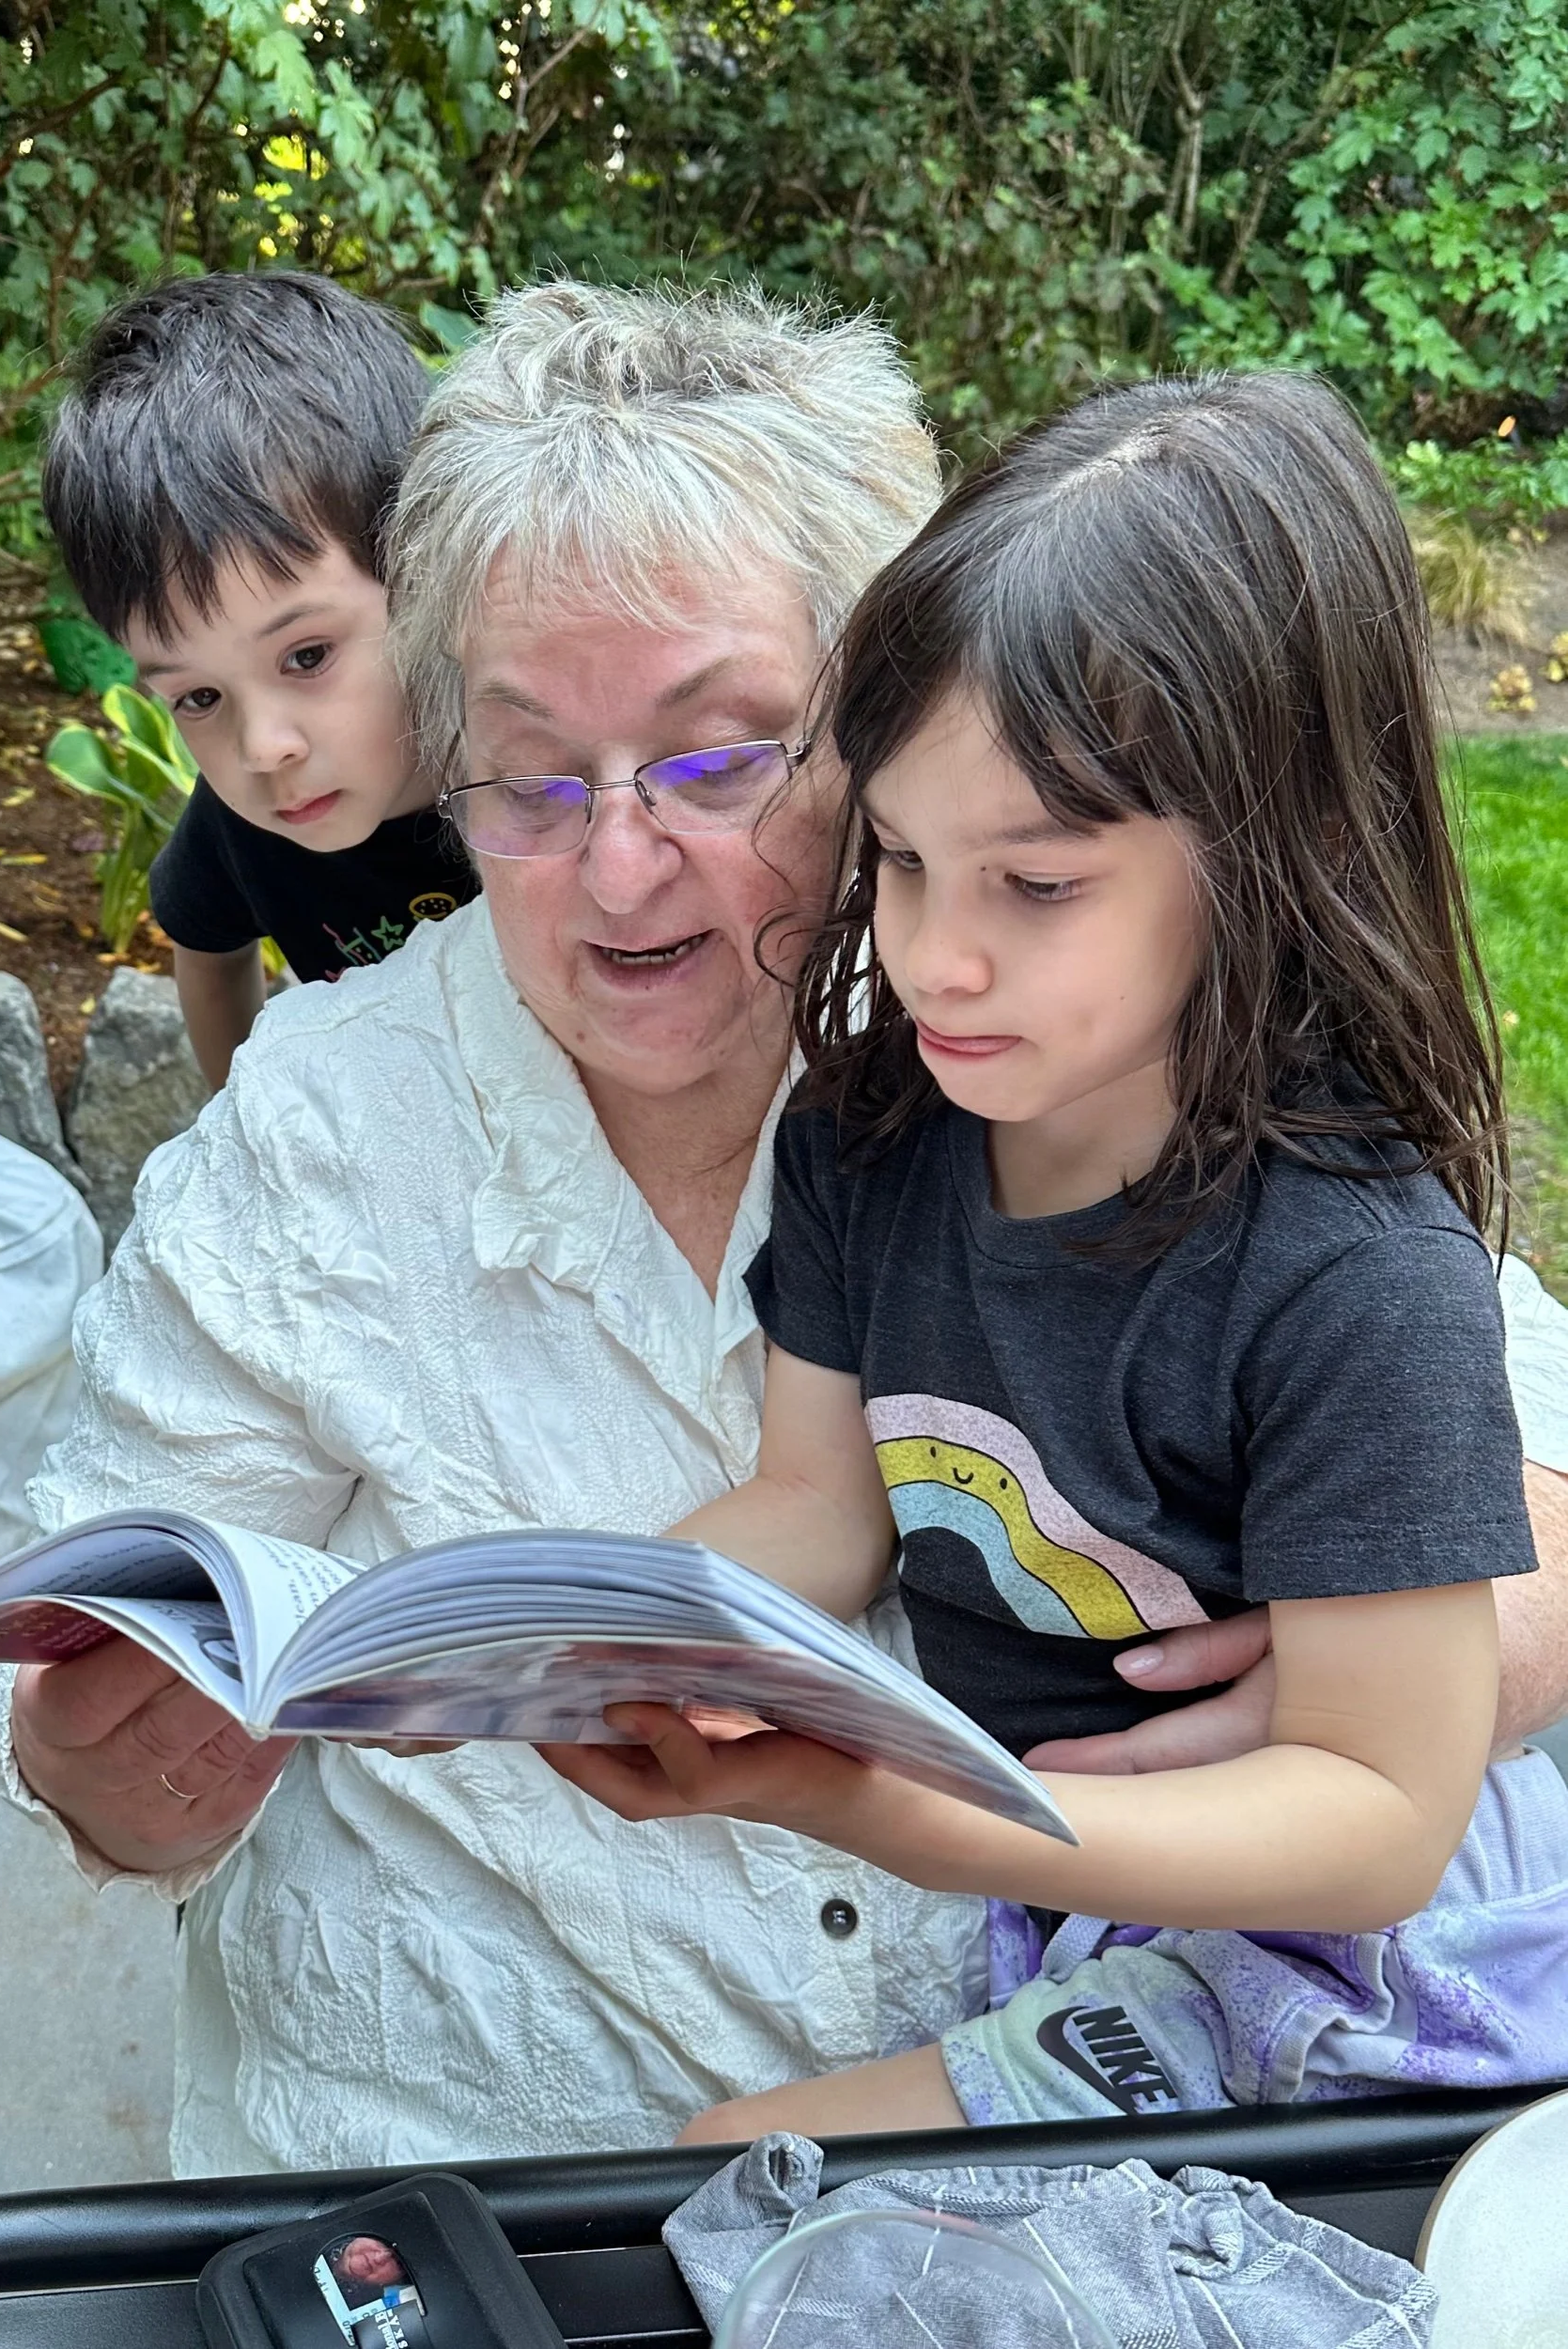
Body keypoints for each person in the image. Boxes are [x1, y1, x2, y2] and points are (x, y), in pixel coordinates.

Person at [0, 286, 1568, 2177]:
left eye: (719, 757)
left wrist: (1498, 1607)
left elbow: (1469, 1373)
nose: (619, 861)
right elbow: (88, 1706)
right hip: (473, 2163)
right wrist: (114, 1757)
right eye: (530, 776)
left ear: (882, 716)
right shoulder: (326, 1129)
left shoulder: (1058, 1037)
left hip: (1167, 2079)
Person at [543, 371, 1568, 2141]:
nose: (934, 958)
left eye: (1035, 887)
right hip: (1096, 1899)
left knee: (735, 2174)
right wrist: (577, 1629)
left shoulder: (1351, 1275)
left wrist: (909, 1807)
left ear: (1280, 854)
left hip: (1386, 1956)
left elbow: (1378, 1812)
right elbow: (825, 1500)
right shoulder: (873, 1135)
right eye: (902, 861)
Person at [40, 271, 476, 1089]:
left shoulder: (530, 776)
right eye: (198, 698)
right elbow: (206, 952)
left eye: (306, 656)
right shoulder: (239, 830)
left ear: (428, 575)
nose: (263, 748)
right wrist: (243, 1127)